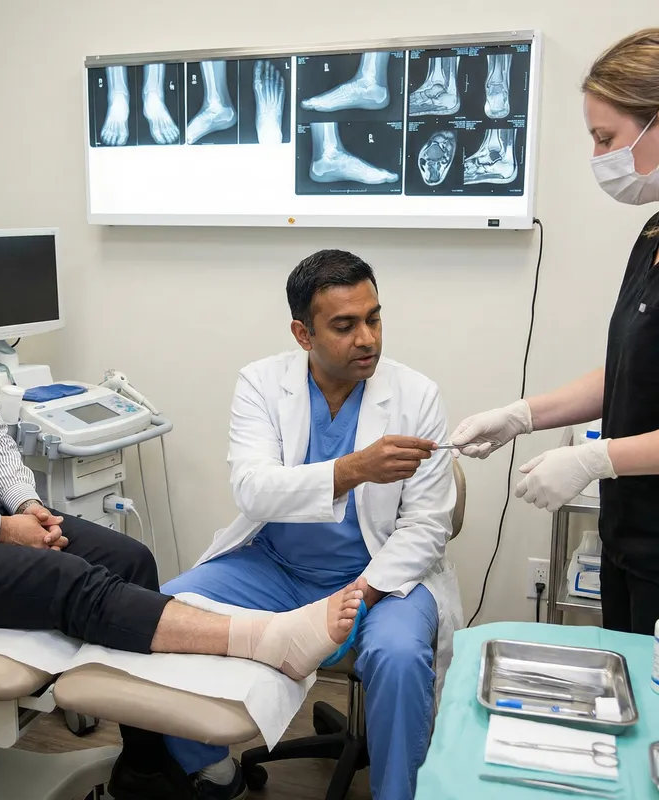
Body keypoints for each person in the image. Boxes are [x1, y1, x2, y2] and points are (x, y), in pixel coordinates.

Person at [0, 177, 365, 800]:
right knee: (66, 581)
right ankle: (268, 640)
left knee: (130, 557)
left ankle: (147, 763)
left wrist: (27, 504)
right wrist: (1, 529)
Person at [153, 249, 463, 800]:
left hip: (381, 577)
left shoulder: (417, 395)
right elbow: (253, 489)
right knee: (166, 614)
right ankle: (208, 768)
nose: (366, 338)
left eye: (374, 318)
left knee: (398, 656)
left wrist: (360, 593)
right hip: (275, 566)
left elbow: (426, 524)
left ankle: (398, 793)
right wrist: (354, 468)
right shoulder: (261, 384)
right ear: (303, 333)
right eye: (344, 325)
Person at [450, 28, 659, 636]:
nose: (601, 159)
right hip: (632, 535)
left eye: (608, 139)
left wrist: (597, 458)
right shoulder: (651, 238)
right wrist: (520, 415)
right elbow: (626, 373)